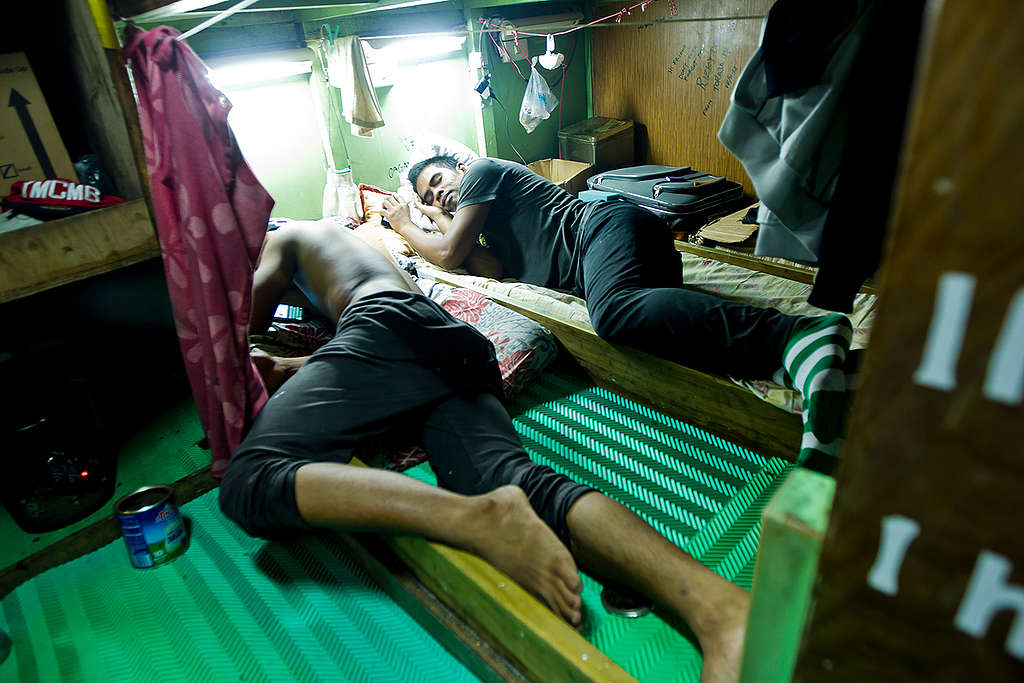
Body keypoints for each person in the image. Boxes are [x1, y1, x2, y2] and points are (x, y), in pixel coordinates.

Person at [220, 220, 748, 682]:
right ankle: (720, 609)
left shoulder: (284, 236)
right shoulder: (347, 245)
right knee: (516, 478)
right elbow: (363, 359)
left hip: (385, 324)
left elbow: (245, 334)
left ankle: (475, 516)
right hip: (455, 342)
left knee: (251, 480)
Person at [383, 155, 854, 471]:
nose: (436, 196)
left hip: (605, 226)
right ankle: (799, 372)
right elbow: (482, 264)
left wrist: (405, 221)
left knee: (614, 316)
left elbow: (445, 255)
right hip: (625, 261)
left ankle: (796, 333)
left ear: (461, 168)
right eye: (427, 197)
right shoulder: (480, 226)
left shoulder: (484, 169)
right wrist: (443, 217)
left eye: (440, 182)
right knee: (658, 327)